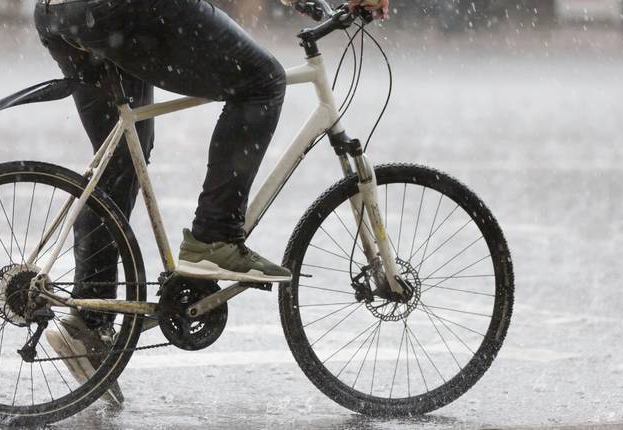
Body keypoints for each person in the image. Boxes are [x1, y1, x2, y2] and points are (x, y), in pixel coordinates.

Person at [35, 0, 388, 406]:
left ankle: (88, 322)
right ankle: (214, 238)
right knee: (262, 81)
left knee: (123, 157)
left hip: (61, 13)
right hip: (127, 10)